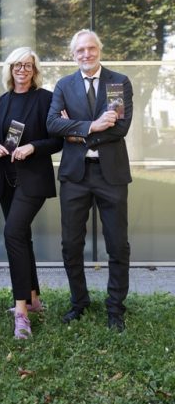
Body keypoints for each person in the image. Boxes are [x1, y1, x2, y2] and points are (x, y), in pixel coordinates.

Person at [46, 29, 133, 332]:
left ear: (99, 49)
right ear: (74, 54)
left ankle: (115, 309)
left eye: (91, 48)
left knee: (117, 245)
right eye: (80, 50)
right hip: (75, 176)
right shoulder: (64, 85)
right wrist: (93, 125)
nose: (86, 54)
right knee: (71, 243)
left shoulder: (117, 82)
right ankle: (79, 302)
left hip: (111, 175)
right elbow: (53, 124)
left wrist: (77, 131)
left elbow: (119, 127)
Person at [0, 47, 62, 339]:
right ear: (10, 69)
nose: (22, 70)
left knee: (12, 234)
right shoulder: (0, 102)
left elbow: (57, 140)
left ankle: (21, 312)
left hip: (33, 181)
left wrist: (33, 147)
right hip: (7, 180)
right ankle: (33, 298)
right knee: (22, 237)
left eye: (28, 65)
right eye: (17, 65)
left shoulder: (46, 98)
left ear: (35, 70)